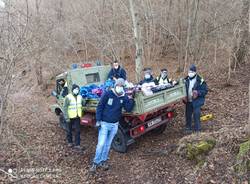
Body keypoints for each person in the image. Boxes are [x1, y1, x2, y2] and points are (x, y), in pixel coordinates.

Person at [90, 78, 134, 173]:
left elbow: (128, 108)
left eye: (122, 87)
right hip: (104, 124)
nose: (120, 88)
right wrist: (98, 120)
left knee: (108, 144)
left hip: (114, 125)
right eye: (119, 86)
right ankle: (95, 162)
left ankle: (103, 161)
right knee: (101, 144)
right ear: (115, 86)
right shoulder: (107, 94)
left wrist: (131, 99)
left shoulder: (123, 96)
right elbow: (100, 107)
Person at [184, 64, 208, 133]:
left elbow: (205, 90)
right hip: (188, 101)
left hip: (197, 101)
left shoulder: (200, 80)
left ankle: (198, 129)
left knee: (196, 114)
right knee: (188, 115)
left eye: (191, 72)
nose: (190, 73)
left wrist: (198, 93)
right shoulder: (186, 79)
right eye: (189, 71)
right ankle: (188, 128)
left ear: (195, 72)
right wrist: (183, 96)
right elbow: (182, 89)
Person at [63, 84, 85, 152]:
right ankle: (70, 142)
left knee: (77, 131)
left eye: (78, 89)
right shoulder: (68, 97)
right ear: (72, 90)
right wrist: (66, 117)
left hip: (77, 117)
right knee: (69, 130)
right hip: (69, 117)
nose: (77, 90)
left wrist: (84, 100)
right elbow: (65, 107)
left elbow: (82, 103)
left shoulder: (80, 96)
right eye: (75, 89)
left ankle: (77, 144)